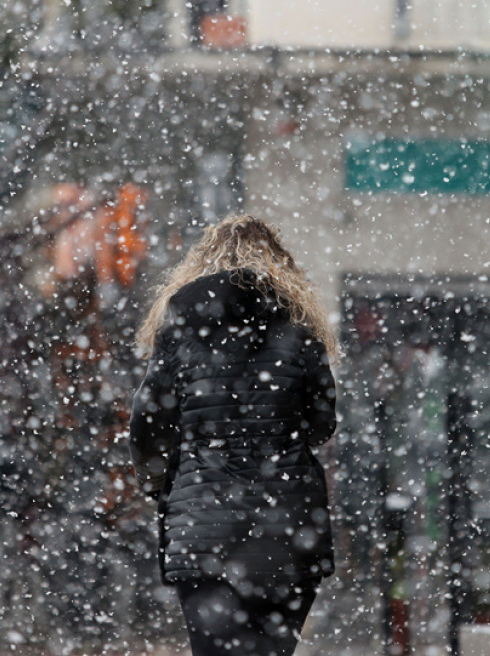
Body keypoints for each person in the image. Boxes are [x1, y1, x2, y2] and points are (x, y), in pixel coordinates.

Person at [130, 215, 338, 656]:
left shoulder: (181, 326)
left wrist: (161, 485)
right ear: (280, 266)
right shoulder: (298, 327)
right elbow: (322, 423)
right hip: (286, 529)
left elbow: (150, 422)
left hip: (205, 529)